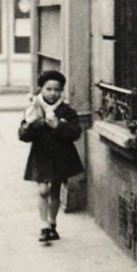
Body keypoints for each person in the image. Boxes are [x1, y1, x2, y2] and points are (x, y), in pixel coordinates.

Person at [18, 70, 84, 243]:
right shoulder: (34, 108)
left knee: (55, 190)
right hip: (41, 155)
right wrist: (36, 123)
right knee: (42, 190)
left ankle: (52, 224)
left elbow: (76, 133)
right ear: (42, 90)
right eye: (49, 89)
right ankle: (43, 224)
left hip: (60, 157)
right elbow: (23, 135)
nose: (53, 93)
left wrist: (58, 126)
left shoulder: (66, 110)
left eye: (57, 89)